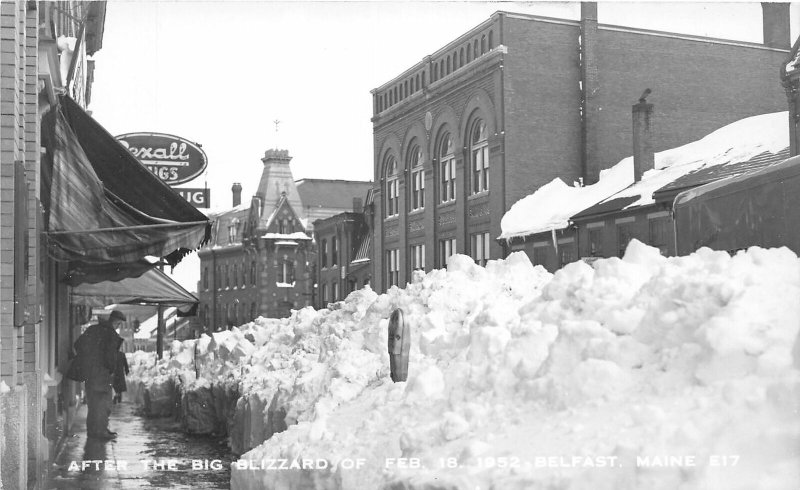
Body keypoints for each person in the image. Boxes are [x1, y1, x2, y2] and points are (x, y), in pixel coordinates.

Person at [74, 310, 125, 439]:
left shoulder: (93, 329)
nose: (118, 327)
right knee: (103, 404)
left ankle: (93, 432)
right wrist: (111, 369)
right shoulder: (110, 334)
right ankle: (101, 431)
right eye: (118, 324)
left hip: (90, 374)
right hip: (102, 375)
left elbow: (77, 344)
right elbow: (110, 359)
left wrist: (88, 361)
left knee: (93, 405)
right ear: (115, 322)